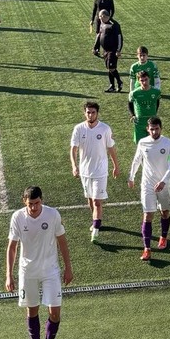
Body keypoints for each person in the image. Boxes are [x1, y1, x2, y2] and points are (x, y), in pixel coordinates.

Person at [5, 186, 74, 339]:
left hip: (50, 270)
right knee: (32, 311)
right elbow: (12, 247)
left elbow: (62, 242)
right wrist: (9, 275)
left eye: (37, 203)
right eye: (30, 204)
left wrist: (68, 268)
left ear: (41, 200)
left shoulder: (52, 215)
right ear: (24, 201)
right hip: (28, 271)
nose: (34, 207)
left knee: (55, 313)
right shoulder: (17, 217)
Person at [70, 101, 120, 242]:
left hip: (100, 171)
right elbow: (73, 149)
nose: (90, 115)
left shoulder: (105, 129)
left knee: (97, 201)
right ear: (84, 113)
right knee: (90, 199)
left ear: (97, 113)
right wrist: (74, 166)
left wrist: (116, 166)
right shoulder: (78, 129)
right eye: (88, 112)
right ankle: (95, 221)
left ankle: (96, 231)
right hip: (85, 171)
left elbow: (111, 148)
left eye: (93, 112)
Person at [128, 117, 170, 261]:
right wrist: (131, 177)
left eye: (157, 129)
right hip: (147, 185)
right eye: (152, 129)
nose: (154, 132)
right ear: (148, 129)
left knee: (164, 212)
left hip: (164, 185)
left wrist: (163, 182)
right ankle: (147, 249)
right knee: (147, 215)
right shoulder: (142, 143)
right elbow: (137, 160)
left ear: (161, 128)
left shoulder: (169, 144)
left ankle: (163, 237)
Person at [93, 9, 124, 93]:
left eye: (100, 17)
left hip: (112, 50)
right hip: (105, 50)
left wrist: (118, 50)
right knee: (109, 68)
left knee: (111, 67)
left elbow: (119, 38)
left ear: (104, 16)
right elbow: (99, 35)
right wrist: (95, 47)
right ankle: (112, 86)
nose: (99, 18)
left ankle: (119, 82)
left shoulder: (114, 25)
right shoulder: (102, 23)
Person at [128, 71, 161, 144]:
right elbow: (130, 103)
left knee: (153, 142)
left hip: (152, 121)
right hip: (139, 121)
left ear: (149, 79)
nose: (144, 82)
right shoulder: (134, 93)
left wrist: (155, 113)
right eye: (142, 80)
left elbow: (157, 101)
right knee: (140, 143)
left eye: (146, 79)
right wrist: (132, 115)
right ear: (138, 81)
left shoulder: (156, 92)